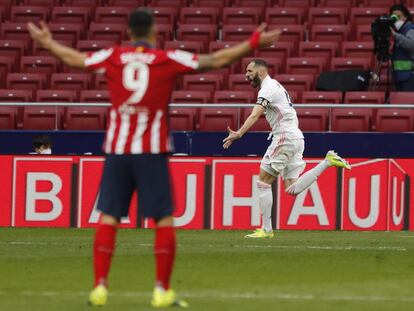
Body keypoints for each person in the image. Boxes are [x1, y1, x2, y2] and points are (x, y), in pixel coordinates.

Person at [27, 9, 281, 308]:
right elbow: (215, 60)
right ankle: (161, 290)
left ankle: (99, 287)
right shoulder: (166, 58)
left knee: (109, 218)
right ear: (153, 32)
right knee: (163, 220)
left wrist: (47, 43)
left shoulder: (113, 56)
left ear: (130, 31)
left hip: (118, 151)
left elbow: (74, 60)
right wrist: (252, 41)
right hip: (151, 151)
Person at [223, 59, 351, 238]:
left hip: (284, 137)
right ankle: (327, 162)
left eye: (249, 71)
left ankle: (267, 230)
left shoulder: (267, 89)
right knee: (292, 189)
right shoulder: (276, 86)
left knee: (263, 182)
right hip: (296, 137)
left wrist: (239, 133)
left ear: (260, 72)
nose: (246, 75)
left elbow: (254, 115)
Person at [390, 4, 414, 91]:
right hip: (399, 76)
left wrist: (395, 35)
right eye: (394, 17)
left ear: (406, 17)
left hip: (409, 77)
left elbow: (411, 45)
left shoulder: (410, 29)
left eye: (399, 16)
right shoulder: (400, 31)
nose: (396, 20)